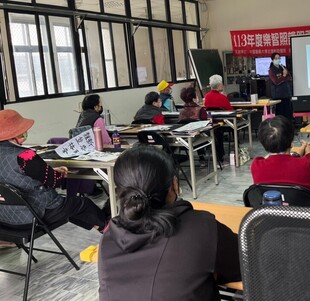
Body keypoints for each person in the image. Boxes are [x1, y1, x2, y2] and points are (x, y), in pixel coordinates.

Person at [98, 145, 240, 301]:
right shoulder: (201, 227)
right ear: (175, 185)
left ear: (119, 193)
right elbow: (244, 263)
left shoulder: (108, 240)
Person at [0, 109, 108, 231]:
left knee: (71, 207)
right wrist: (58, 173)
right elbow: (54, 182)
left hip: (5, 218)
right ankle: (108, 229)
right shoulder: (25, 156)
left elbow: (15, 177)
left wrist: (48, 171)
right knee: (84, 204)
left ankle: (102, 227)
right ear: (16, 134)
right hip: (35, 215)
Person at [251, 116, 310, 192]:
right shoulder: (305, 165)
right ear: (291, 142)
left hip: (270, 203)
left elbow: (282, 165)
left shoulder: (256, 165)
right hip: (302, 203)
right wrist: (308, 153)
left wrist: (300, 152)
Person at [204, 75, 232, 165]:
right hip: (223, 123)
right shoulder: (223, 97)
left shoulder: (206, 96)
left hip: (211, 122)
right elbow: (230, 111)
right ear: (219, 85)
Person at [268, 52, 293, 120]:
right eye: (276, 58)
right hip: (278, 96)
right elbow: (276, 81)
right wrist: (284, 76)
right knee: (281, 114)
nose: (278, 60)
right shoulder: (271, 70)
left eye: (279, 58)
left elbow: (289, 77)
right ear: (272, 60)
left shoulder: (283, 67)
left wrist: (285, 75)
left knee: (288, 113)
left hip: (286, 94)